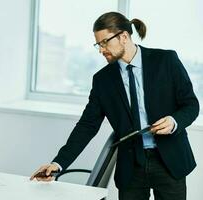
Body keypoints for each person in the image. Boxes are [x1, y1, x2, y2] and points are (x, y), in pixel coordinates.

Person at [30, 11, 199, 200]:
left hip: (170, 161)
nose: (101, 50)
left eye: (104, 43)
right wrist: (58, 164)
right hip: (131, 167)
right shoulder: (102, 80)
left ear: (124, 37)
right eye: (98, 45)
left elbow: (191, 105)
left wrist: (174, 121)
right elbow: (87, 126)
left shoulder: (166, 61)